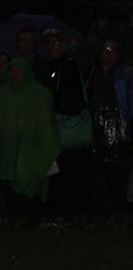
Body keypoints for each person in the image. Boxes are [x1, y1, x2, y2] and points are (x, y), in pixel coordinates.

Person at [0, 55, 60, 224]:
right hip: (8, 149)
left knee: (31, 177)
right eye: (11, 70)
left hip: (33, 148)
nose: (14, 74)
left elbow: (46, 125)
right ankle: (15, 216)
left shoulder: (41, 94)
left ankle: (32, 216)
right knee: (9, 179)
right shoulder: (1, 94)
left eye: (18, 70)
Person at [43, 28, 89, 224]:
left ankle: (69, 213)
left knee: (67, 171)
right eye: (49, 43)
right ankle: (66, 212)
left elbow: (72, 99)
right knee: (63, 172)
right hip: (61, 129)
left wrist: (54, 105)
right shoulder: (55, 66)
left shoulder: (68, 65)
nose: (52, 47)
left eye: (56, 43)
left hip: (65, 129)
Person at [85, 36, 132, 218]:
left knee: (119, 174)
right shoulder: (91, 74)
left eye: (113, 49)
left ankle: (118, 214)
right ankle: (100, 214)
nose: (109, 53)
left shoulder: (126, 74)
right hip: (95, 133)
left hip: (120, 132)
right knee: (98, 174)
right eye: (105, 49)